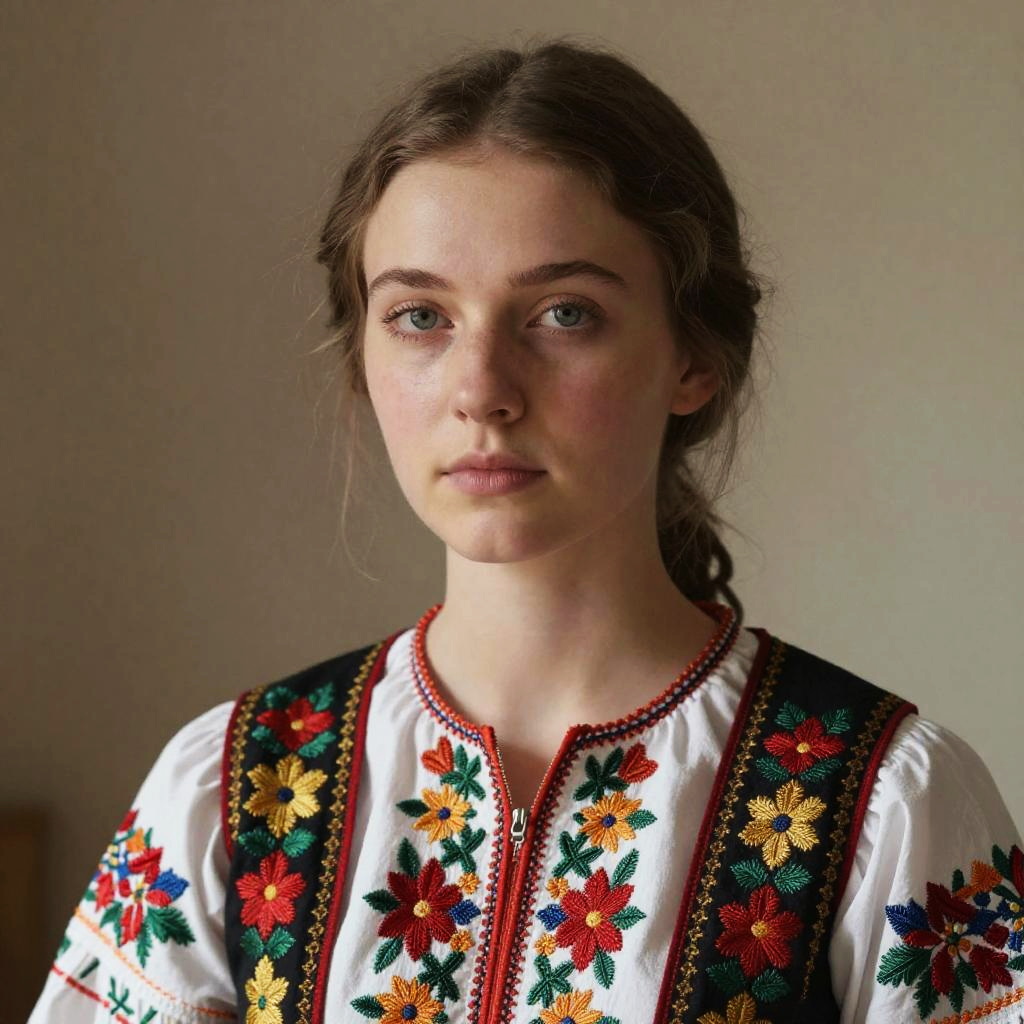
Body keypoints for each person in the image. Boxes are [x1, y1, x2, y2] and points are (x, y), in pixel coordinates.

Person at [27, 36, 1022, 1024]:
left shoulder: (884, 801)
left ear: (693, 357)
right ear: (362, 356)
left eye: (562, 313)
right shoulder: (236, 791)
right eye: (420, 316)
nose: (481, 391)